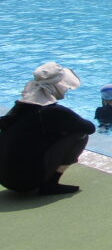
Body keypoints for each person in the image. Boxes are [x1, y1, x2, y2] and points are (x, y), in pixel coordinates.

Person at [0, 62, 95, 195]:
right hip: (27, 182)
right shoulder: (55, 111)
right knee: (80, 134)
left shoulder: (20, 108)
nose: (66, 89)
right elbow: (89, 128)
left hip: (5, 179)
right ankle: (51, 184)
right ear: (56, 86)